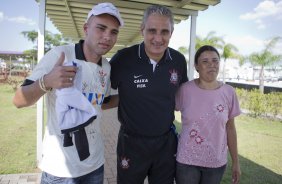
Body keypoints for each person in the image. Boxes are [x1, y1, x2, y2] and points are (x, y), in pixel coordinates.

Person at [12, 2, 123, 184]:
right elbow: (18, 100)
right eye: (101, 28)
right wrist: (46, 81)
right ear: (86, 29)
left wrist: (140, 95)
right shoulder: (60, 55)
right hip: (60, 170)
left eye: (113, 32)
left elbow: (103, 101)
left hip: (95, 164)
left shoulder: (106, 66)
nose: (107, 37)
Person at [108, 4, 188, 184]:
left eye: (164, 32)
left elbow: (184, 97)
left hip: (165, 144)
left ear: (171, 32)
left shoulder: (178, 60)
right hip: (131, 144)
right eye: (152, 30)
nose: (158, 38)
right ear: (142, 29)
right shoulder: (123, 59)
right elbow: (101, 93)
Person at [175, 45, 241, 184]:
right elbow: (166, 112)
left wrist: (236, 162)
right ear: (196, 66)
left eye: (215, 61)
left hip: (216, 162)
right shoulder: (185, 90)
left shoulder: (229, 92)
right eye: (205, 61)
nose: (211, 65)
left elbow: (230, 128)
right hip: (187, 161)